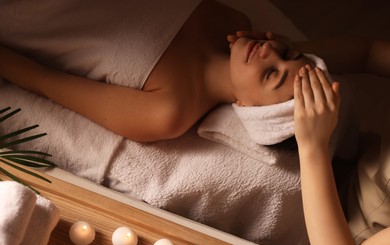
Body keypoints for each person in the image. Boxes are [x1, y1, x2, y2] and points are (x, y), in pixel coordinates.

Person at [1, 0, 388, 144]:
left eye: (272, 74)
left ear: (248, 107)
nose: (270, 51)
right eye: (286, 51)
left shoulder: (166, 112)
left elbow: (42, 81)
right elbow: (365, 51)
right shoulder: (234, 20)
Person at [294, 64, 390, 245]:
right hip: (357, 171)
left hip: (340, 240)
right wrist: (293, 51)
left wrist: (312, 145)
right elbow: (368, 53)